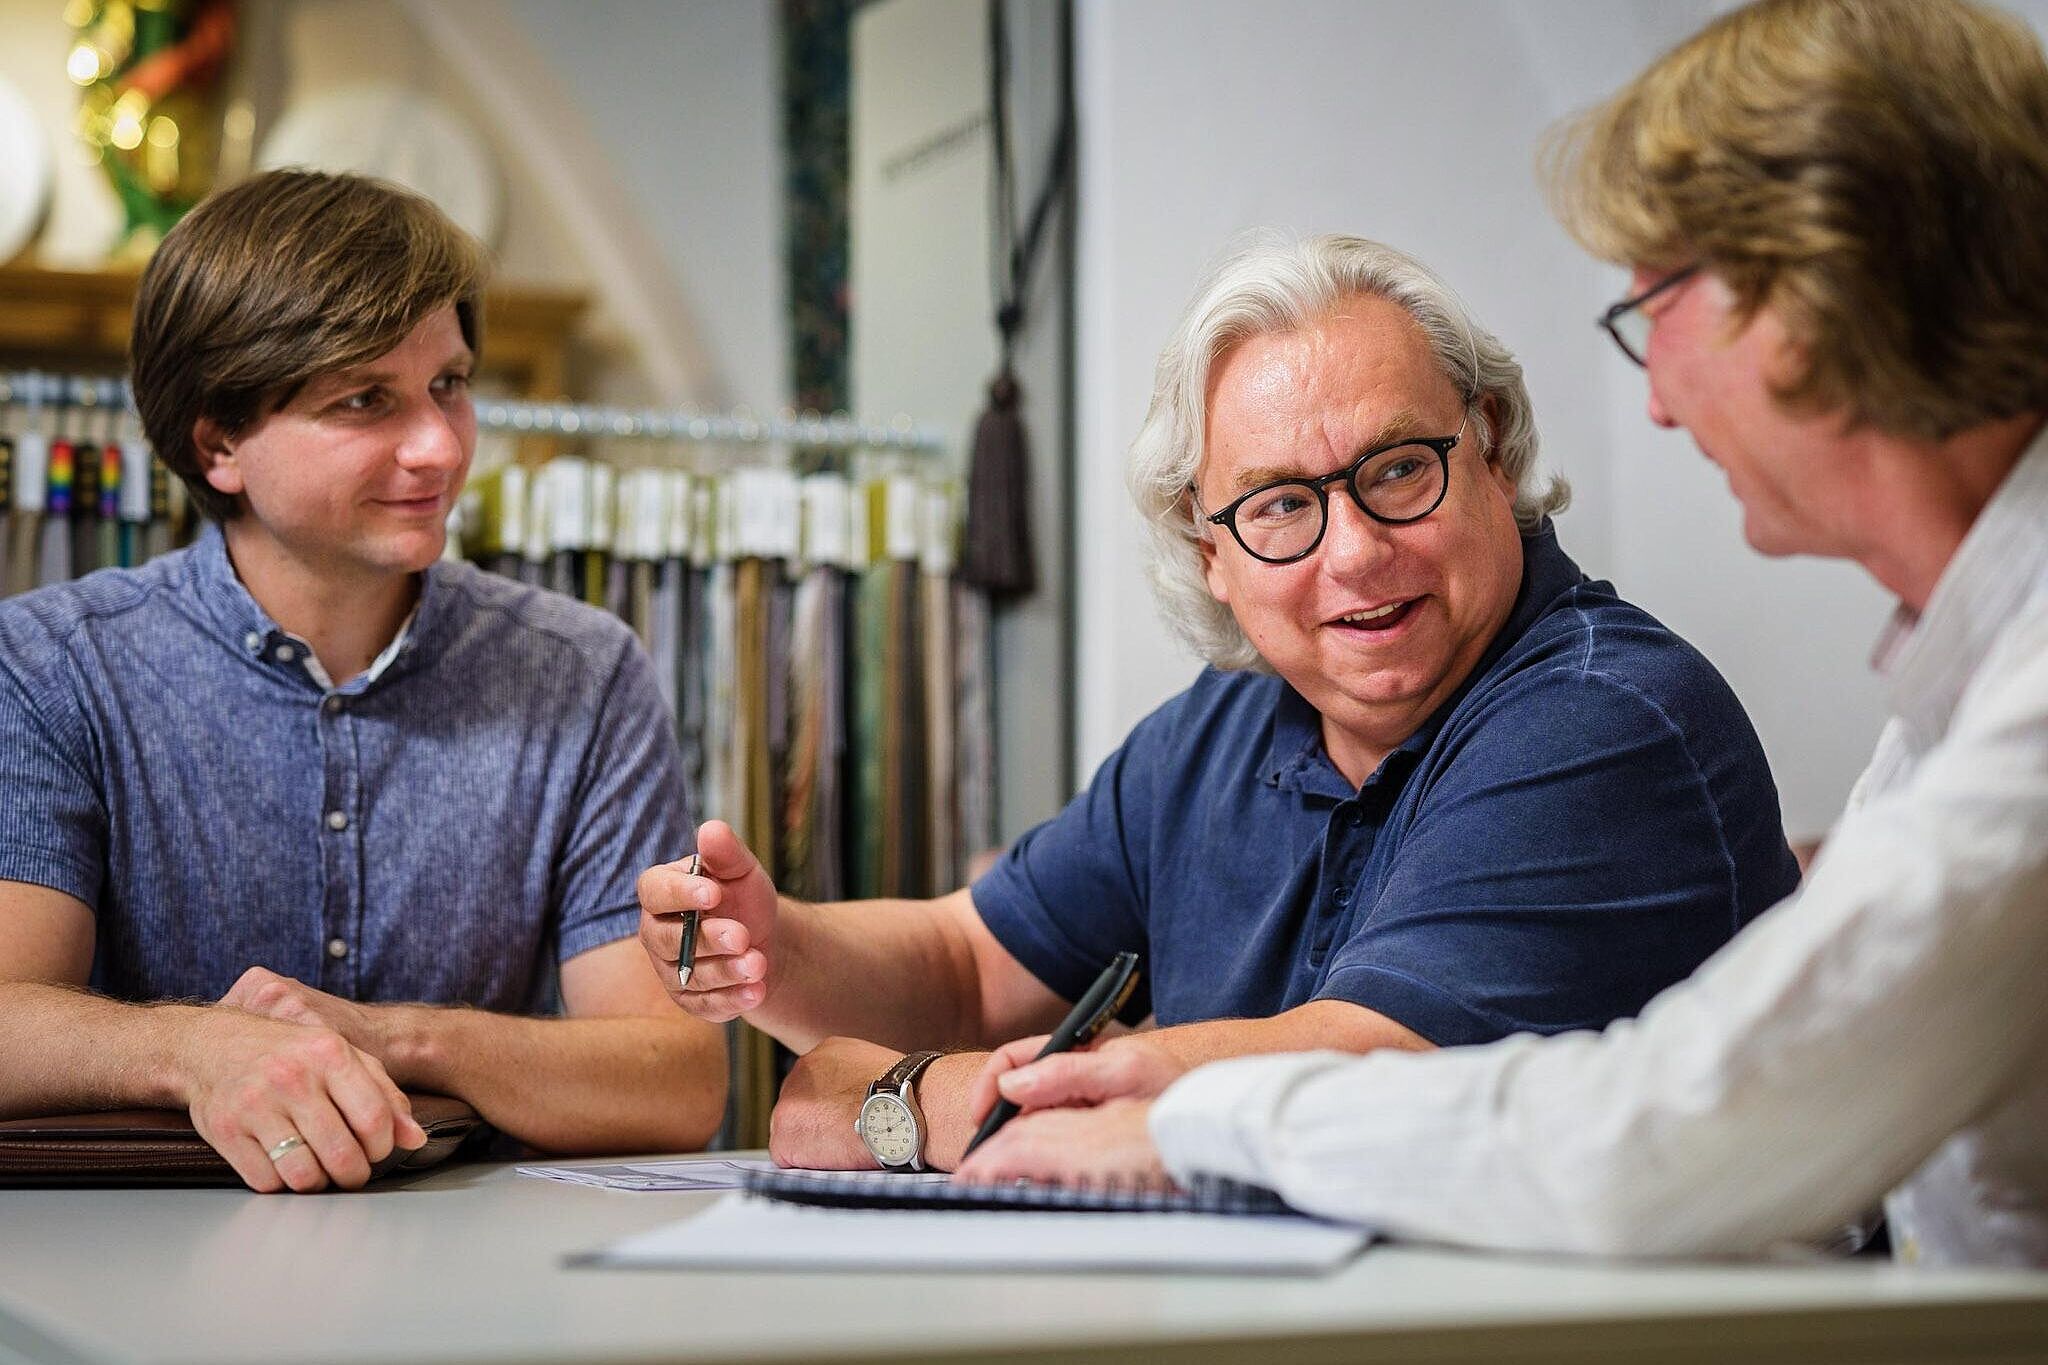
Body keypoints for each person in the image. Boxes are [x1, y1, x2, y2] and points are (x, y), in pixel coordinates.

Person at [956, 0, 2048, 1269]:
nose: (1651, 399)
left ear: (1843, 283)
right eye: (1278, 509)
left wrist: (1191, 1118)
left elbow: (1661, 1138)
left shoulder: (1644, 705)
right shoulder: (1959, 691)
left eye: (1660, 302)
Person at [640, 234, 1801, 1172]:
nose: (1351, 552)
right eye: (1279, 505)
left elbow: (1331, 1072)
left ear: (1489, 451)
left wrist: (903, 1099)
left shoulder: (1603, 719)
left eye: (1397, 468)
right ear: (1209, 552)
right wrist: (778, 948)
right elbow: (966, 964)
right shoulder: (1224, 724)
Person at [0, 170, 725, 1193]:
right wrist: (196, 1051)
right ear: (219, 444)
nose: (438, 446)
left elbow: (674, 1081)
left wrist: (398, 1038)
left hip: (479, 1290)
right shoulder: (49, 667)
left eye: (450, 385)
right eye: (364, 400)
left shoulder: (582, 673)